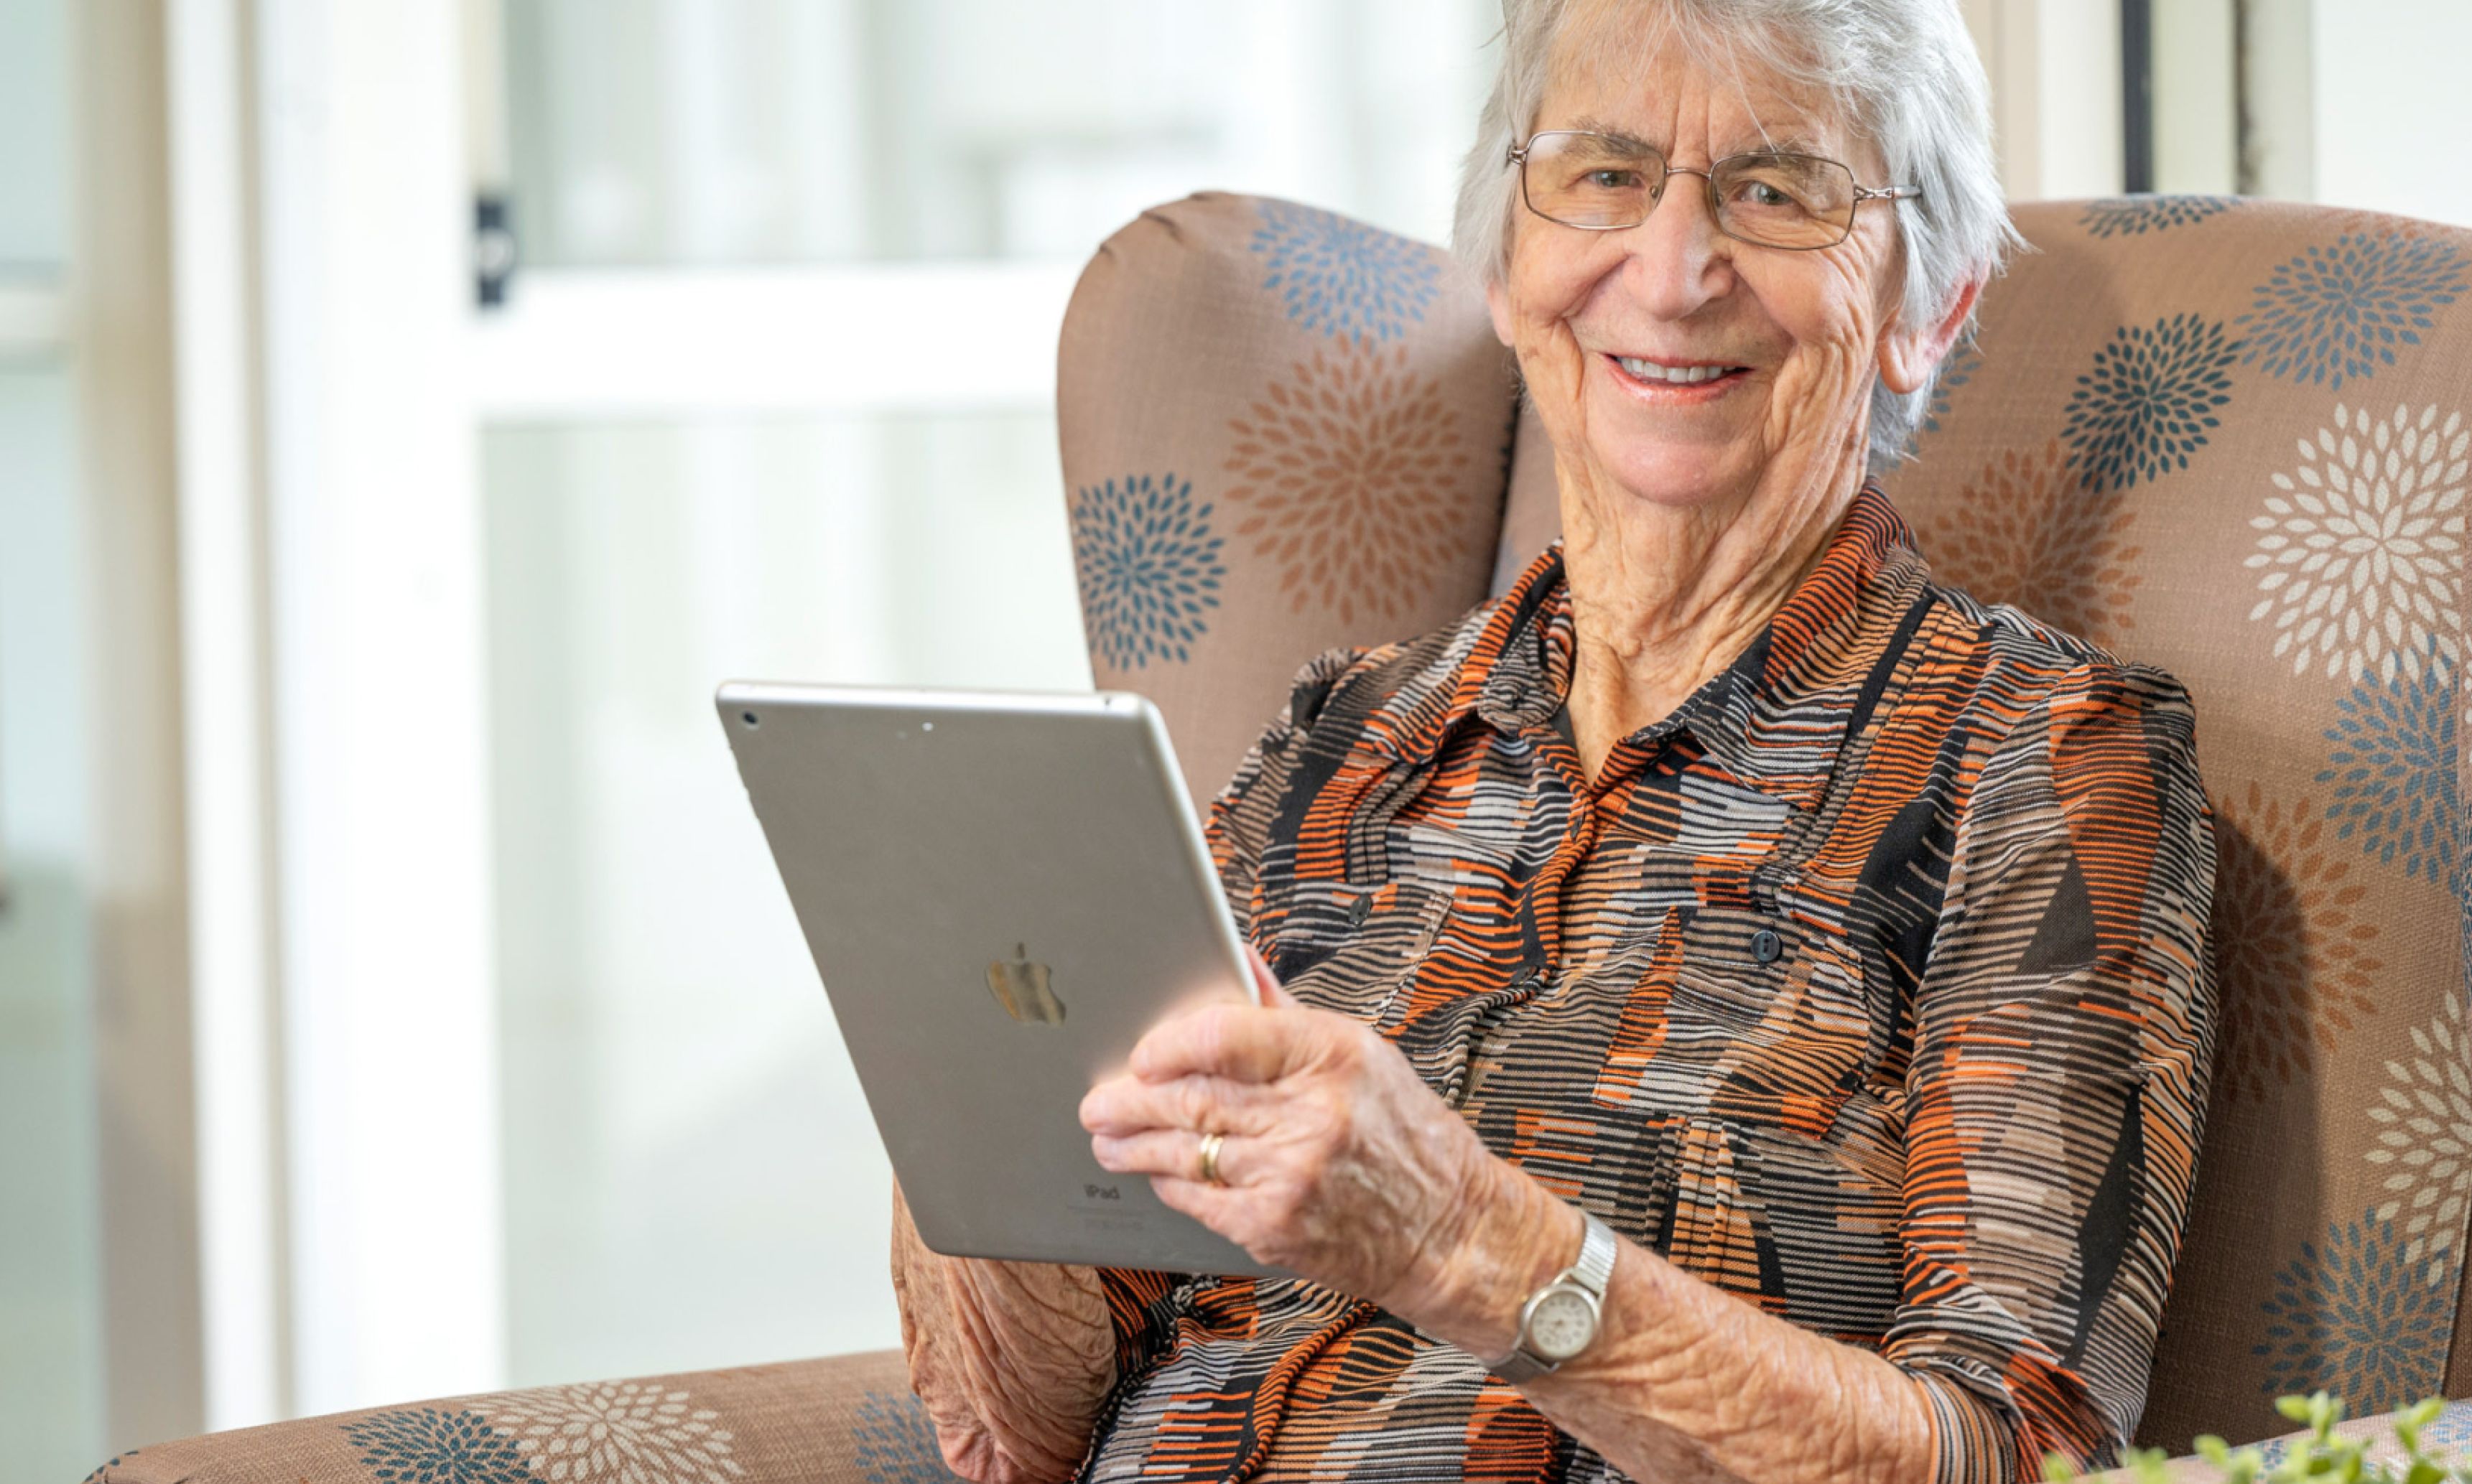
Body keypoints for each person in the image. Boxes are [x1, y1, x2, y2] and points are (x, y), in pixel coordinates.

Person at [891, 0, 2216, 1478]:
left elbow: (2016, 1454)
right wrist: (972, 1102)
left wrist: (1464, 1235)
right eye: (1602, 174)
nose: (1673, 267)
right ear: (1514, 267)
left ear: (1928, 305)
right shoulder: (1345, 738)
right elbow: (1019, 1430)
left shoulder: (2035, 759)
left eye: (1777, 189)